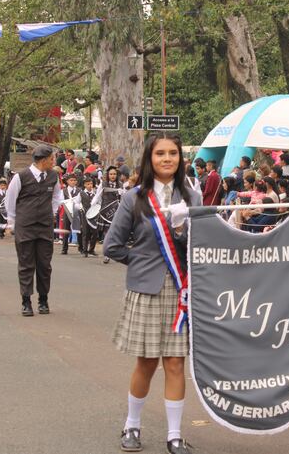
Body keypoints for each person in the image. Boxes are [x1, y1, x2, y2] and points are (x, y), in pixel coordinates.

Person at [103, 132, 201, 454]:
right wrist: (141, 261)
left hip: (181, 292)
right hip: (146, 290)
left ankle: (174, 435)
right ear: (150, 158)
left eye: (173, 153)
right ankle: (132, 426)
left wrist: (181, 232)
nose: (167, 159)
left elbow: (201, 246)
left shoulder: (191, 197)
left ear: (180, 158)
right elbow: (113, 246)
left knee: (175, 363)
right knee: (145, 363)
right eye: (160, 153)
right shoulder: (135, 197)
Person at [5, 145, 64, 317]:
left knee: (44, 265)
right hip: (25, 226)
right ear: (44, 160)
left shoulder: (53, 177)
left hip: (45, 227)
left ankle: (43, 300)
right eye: (52, 159)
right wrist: (11, 222)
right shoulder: (20, 177)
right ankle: (26, 301)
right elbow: (10, 200)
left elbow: (56, 198)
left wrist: (51, 214)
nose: (54, 162)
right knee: (26, 264)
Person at [95, 166, 123, 263]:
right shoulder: (103, 184)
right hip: (106, 211)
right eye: (111, 174)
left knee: (114, 234)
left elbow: (123, 198)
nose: (113, 176)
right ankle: (106, 254)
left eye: (114, 174)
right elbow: (97, 197)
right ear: (108, 175)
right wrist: (94, 207)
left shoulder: (120, 184)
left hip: (116, 211)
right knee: (106, 233)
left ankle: (112, 252)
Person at [60, 173, 81, 255]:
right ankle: (64, 248)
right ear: (67, 181)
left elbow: (80, 201)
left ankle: (81, 247)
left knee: (78, 229)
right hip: (67, 211)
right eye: (71, 180)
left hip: (76, 211)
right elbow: (61, 201)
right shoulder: (64, 191)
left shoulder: (79, 190)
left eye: (74, 180)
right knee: (66, 230)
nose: (73, 182)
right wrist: (68, 201)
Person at [79, 177, 99, 258]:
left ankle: (91, 249)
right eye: (88, 184)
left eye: (91, 184)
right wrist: (80, 207)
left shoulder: (95, 194)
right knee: (85, 233)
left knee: (95, 233)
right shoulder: (81, 193)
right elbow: (77, 203)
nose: (90, 185)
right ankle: (85, 250)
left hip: (94, 216)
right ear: (84, 185)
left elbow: (99, 202)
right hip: (85, 216)